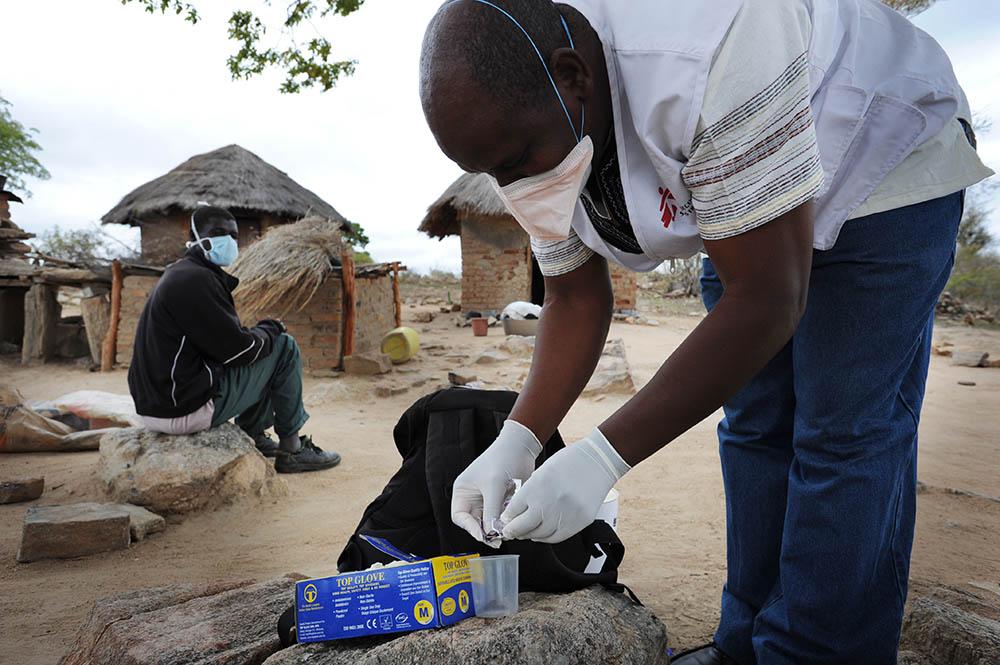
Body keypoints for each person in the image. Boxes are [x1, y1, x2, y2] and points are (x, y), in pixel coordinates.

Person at [419, 1, 993, 663]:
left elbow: (769, 298)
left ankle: (819, 650)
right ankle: (745, 642)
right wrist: (519, 438)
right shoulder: (535, 126)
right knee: (754, 424)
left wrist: (603, 456)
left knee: (843, 432)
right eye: (495, 173)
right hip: (744, 207)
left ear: (574, 76)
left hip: (877, 160)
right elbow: (574, 297)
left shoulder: (708, 37)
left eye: (518, 159)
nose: (514, 187)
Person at [127, 205, 342, 474]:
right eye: (218, 233)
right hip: (182, 409)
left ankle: (255, 435)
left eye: (232, 234)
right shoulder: (196, 279)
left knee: (265, 349)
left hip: (159, 404)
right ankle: (293, 448)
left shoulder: (181, 273)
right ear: (194, 236)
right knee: (283, 347)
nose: (228, 240)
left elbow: (226, 347)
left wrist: (260, 334)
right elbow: (242, 353)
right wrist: (271, 328)